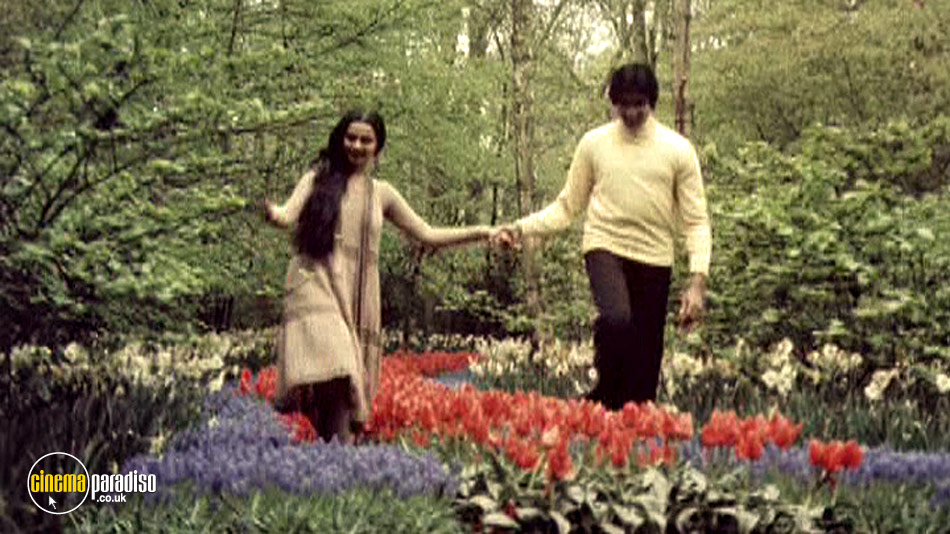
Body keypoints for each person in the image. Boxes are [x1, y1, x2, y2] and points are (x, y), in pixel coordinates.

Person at [491, 63, 712, 410]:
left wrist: (697, 281)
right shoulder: (594, 144)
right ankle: (603, 393)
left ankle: (623, 424)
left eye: (639, 104)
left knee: (644, 376)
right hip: (605, 245)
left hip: (655, 256)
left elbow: (696, 221)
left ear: (652, 102)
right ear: (613, 103)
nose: (631, 113)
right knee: (617, 319)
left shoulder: (678, 150)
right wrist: (520, 228)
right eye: (624, 104)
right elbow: (567, 206)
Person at [263, 110, 491, 443]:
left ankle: (333, 451)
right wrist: (271, 212)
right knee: (340, 361)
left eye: (365, 140)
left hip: (358, 292)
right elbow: (287, 214)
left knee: (341, 384)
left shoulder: (382, 193)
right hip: (316, 282)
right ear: (340, 139)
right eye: (350, 137)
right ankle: (334, 448)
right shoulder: (316, 179)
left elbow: (427, 233)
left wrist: (483, 232)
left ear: (378, 147)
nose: (356, 145)